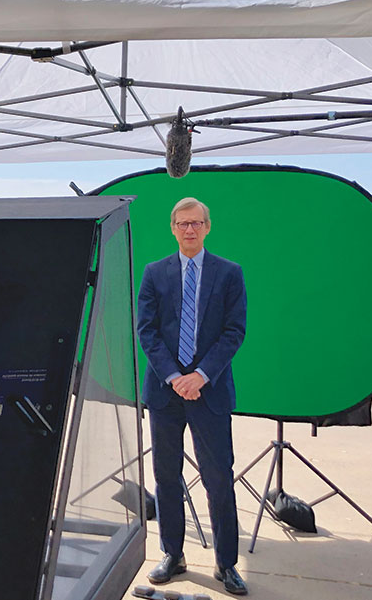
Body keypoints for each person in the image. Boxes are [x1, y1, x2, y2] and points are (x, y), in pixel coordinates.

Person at [137, 196, 248, 596]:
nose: (189, 229)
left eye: (196, 223)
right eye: (182, 223)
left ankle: (227, 564)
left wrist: (200, 375)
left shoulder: (229, 274)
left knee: (219, 478)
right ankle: (173, 555)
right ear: (172, 227)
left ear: (207, 227)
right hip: (165, 394)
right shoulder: (154, 273)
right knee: (166, 477)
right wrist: (173, 376)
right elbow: (146, 330)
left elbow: (234, 331)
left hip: (210, 392)